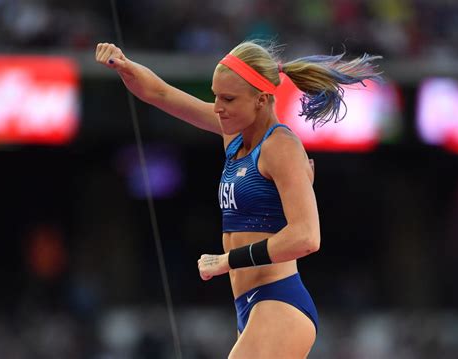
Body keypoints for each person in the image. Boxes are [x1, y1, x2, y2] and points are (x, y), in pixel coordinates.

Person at [95, 40, 382, 358]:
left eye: (228, 99)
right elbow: (161, 94)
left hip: (279, 303)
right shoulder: (234, 136)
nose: (217, 107)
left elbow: (306, 237)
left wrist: (228, 260)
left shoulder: (281, 147)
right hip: (249, 306)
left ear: (261, 99)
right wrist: (125, 65)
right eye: (216, 95)